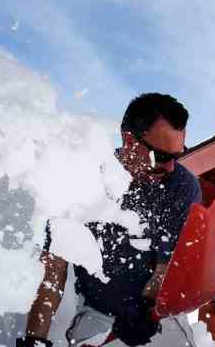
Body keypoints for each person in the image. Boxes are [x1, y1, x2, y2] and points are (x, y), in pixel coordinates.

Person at [16, 93, 202, 347]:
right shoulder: (82, 179)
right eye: (161, 156)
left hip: (158, 315)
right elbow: (53, 272)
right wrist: (34, 339)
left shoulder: (181, 187)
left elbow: (166, 268)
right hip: (96, 315)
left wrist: (145, 309)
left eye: (177, 156)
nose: (170, 167)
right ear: (129, 141)